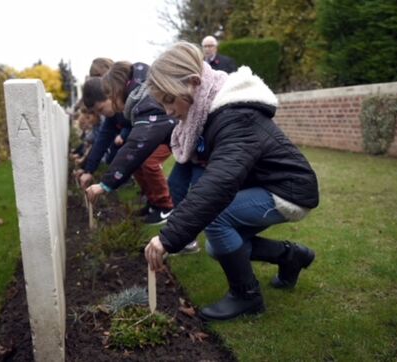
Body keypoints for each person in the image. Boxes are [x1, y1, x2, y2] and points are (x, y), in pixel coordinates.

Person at [144, 42, 319, 322]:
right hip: (269, 185)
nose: (168, 111)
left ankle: (246, 296)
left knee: (216, 218)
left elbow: (220, 181)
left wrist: (169, 237)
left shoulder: (235, 115)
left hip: (289, 190)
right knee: (218, 247)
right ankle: (290, 257)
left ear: (193, 83)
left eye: (168, 99)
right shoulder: (211, 111)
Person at [85, 61, 175, 225]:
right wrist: (89, 168)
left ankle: (165, 207)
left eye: (109, 99)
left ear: (114, 92)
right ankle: (154, 203)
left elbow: (137, 143)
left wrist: (105, 184)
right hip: (166, 136)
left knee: (148, 162)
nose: (103, 113)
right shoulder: (136, 97)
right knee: (138, 163)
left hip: (183, 139)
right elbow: (104, 139)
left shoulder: (144, 102)